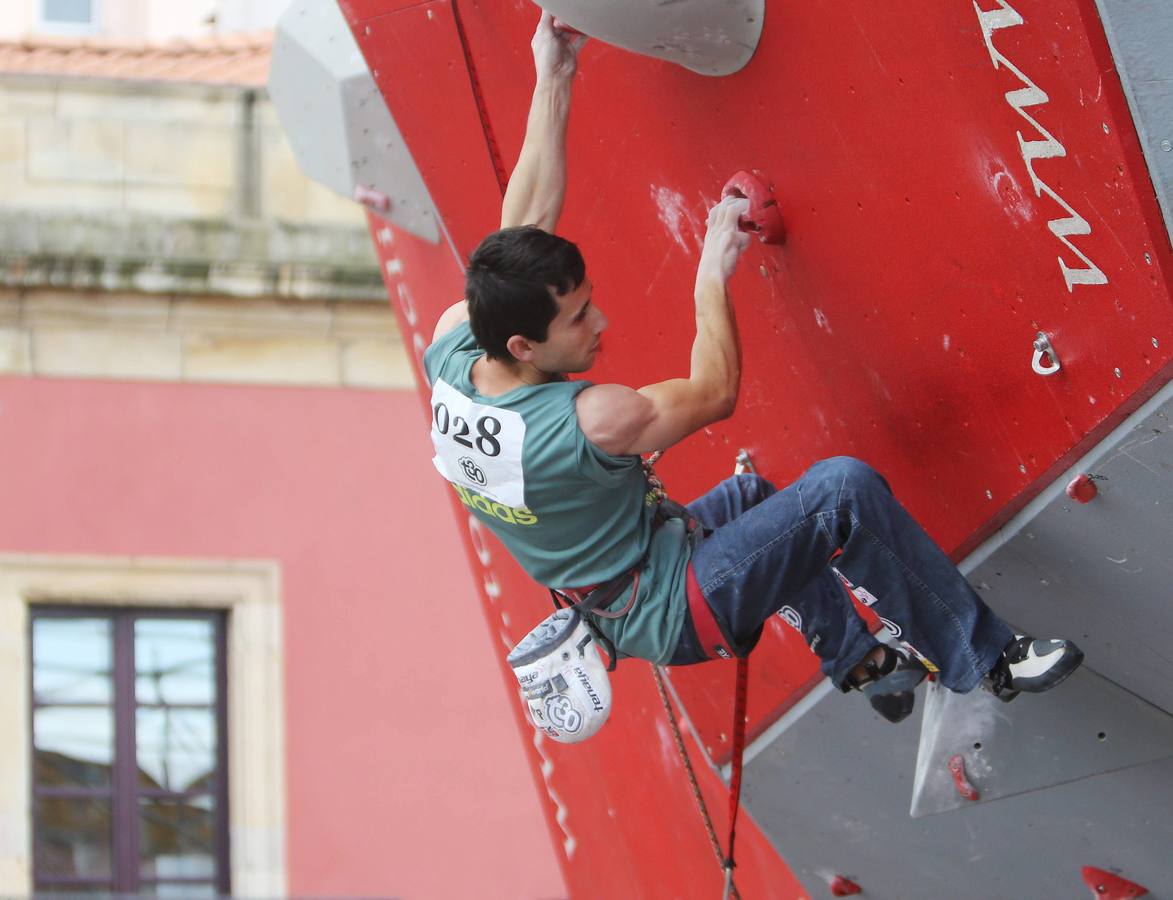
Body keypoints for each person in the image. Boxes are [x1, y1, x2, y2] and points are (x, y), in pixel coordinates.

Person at [423, 13, 1083, 723]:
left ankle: (860, 662)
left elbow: (524, 222)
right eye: (579, 319)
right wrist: (711, 270)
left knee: (752, 499)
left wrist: (553, 74)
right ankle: (987, 661)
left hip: (631, 579)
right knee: (839, 493)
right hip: (671, 607)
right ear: (522, 346)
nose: (601, 323)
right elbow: (715, 393)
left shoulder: (460, 341)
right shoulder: (593, 419)